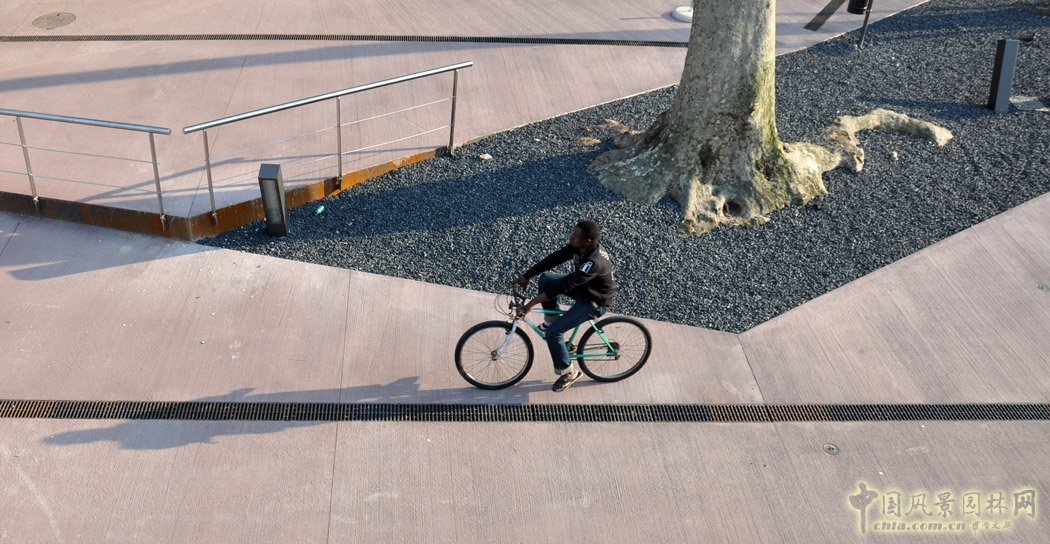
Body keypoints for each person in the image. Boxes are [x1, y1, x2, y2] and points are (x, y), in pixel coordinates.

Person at [511, 220, 617, 392]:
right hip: (584, 289)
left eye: (575, 236)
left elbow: (564, 285)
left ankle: (569, 372)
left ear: (587, 241)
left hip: (594, 301)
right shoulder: (579, 247)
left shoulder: (594, 262)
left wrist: (531, 303)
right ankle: (552, 320)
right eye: (572, 233)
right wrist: (527, 276)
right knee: (546, 279)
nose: (571, 237)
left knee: (554, 333)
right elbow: (554, 259)